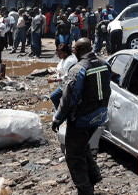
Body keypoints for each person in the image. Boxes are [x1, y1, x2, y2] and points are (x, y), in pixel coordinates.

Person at [52, 39, 111, 195]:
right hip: (100, 115)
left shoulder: (78, 69)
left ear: (79, 50)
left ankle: (85, 190)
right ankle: (93, 178)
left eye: (74, 49)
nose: (73, 51)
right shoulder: (104, 64)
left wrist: (58, 118)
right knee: (82, 146)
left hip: (82, 118)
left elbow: (69, 98)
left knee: (73, 155)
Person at [49, 43, 79, 109]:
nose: (58, 56)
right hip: (63, 84)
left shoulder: (69, 61)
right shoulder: (67, 57)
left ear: (65, 53)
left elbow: (67, 76)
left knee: (53, 97)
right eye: (58, 54)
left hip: (67, 86)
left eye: (60, 54)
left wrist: (54, 80)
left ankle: (60, 111)